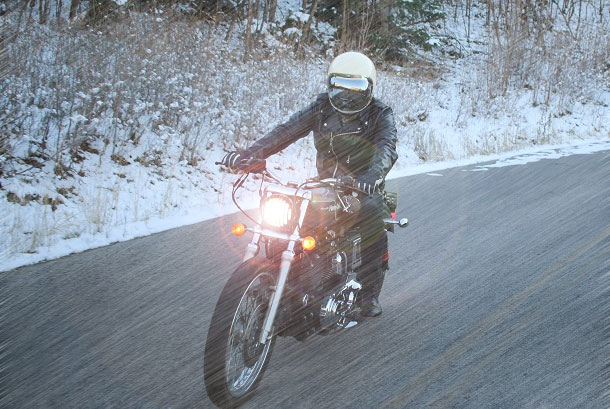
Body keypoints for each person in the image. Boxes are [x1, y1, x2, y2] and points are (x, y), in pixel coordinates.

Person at [220, 51, 398, 317]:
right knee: (286, 219)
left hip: (361, 186)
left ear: (369, 88)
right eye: (340, 88)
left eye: (356, 89)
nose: (347, 96)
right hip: (324, 184)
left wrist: (373, 176)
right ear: (330, 85)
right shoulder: (321, 107)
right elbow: (286, 131)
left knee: (372, 218)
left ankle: (368, 294)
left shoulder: (380, 114)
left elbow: (387, 148)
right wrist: (250, 155)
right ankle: (284, 280)